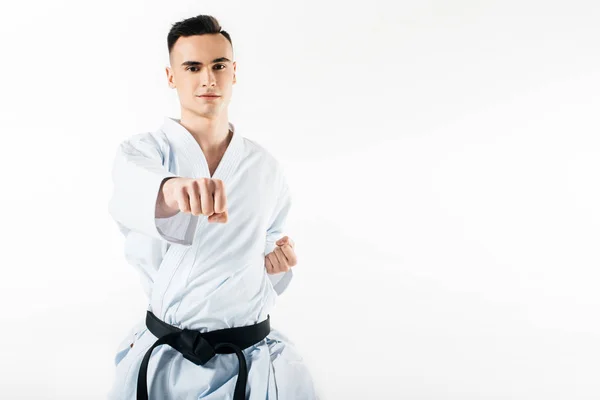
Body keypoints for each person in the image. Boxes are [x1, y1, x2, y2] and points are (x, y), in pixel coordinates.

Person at [107, 14, 318, 400]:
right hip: (166, 363)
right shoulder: (143, 153)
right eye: (193, 67)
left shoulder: (265, 167)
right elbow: (133, 190)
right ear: (172, 77)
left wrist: (277, 262)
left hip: (251, 361)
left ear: (233, 71)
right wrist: (173, 190)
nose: (208, 78)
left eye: (219, 65)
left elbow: (271, 242)